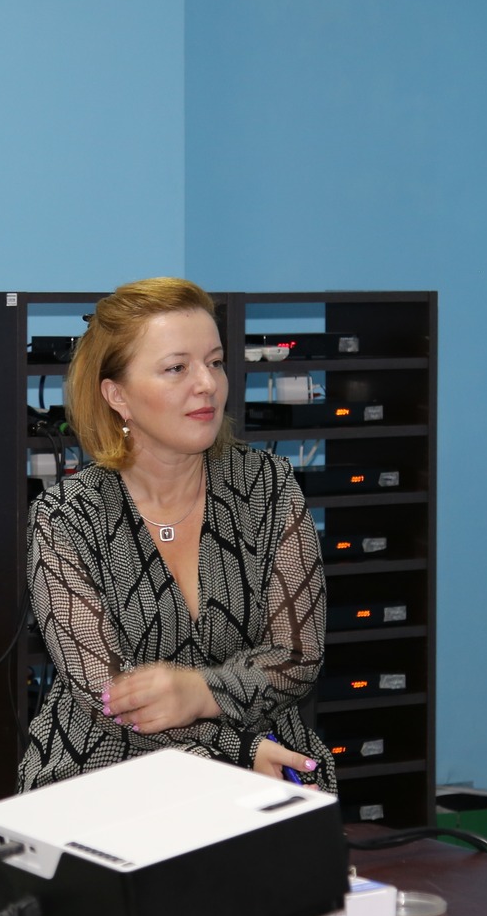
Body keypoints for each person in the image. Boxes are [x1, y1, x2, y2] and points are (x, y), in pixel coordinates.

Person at [19, 277, 337, 796]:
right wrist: (236, 751)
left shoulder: (269, 485)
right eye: (177, 368)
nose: (207, 384)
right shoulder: (66, 518)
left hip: (269, 760)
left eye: (215, 362)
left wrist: (200, 692)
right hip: (110, 774)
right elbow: (107, 698)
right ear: (117, 395)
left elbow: (298, 656)